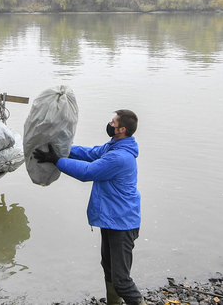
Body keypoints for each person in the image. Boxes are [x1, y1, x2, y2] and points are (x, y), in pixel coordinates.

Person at [33, 109, 145, 305]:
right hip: (112, 220)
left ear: (122, 129)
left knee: (122, 280)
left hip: (122, 224)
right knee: (109, 269)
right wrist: (63, 148)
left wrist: (57, 161)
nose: (110, 124)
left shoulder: (119, 157)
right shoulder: (114, 147)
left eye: (113, 122)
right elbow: (90, 153)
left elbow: (87, 172)